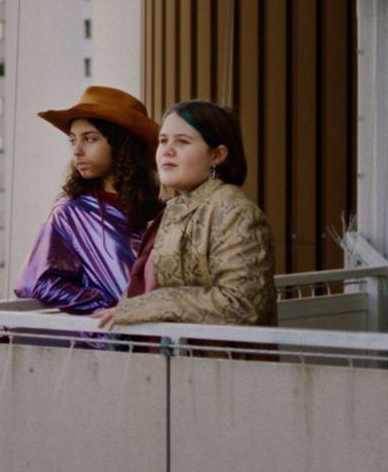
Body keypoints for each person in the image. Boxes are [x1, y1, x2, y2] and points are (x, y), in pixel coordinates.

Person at [93, 100, 276, 328]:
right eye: (163, 141)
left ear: (217, 155)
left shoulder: (234, 211)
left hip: (217, 361)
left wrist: (154, 305)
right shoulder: (172, 209)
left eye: (182, 141)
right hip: (165, 358)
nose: (167, 150)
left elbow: (242, 305)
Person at [14, 86, 162, 314]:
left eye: (90, 139)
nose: (77, 151)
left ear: (122, 145)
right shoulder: (70, 212)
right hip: (108, 341)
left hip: (162, 338)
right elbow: (36, 282)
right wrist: (107, 306)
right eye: (73, 141)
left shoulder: (160, 210)